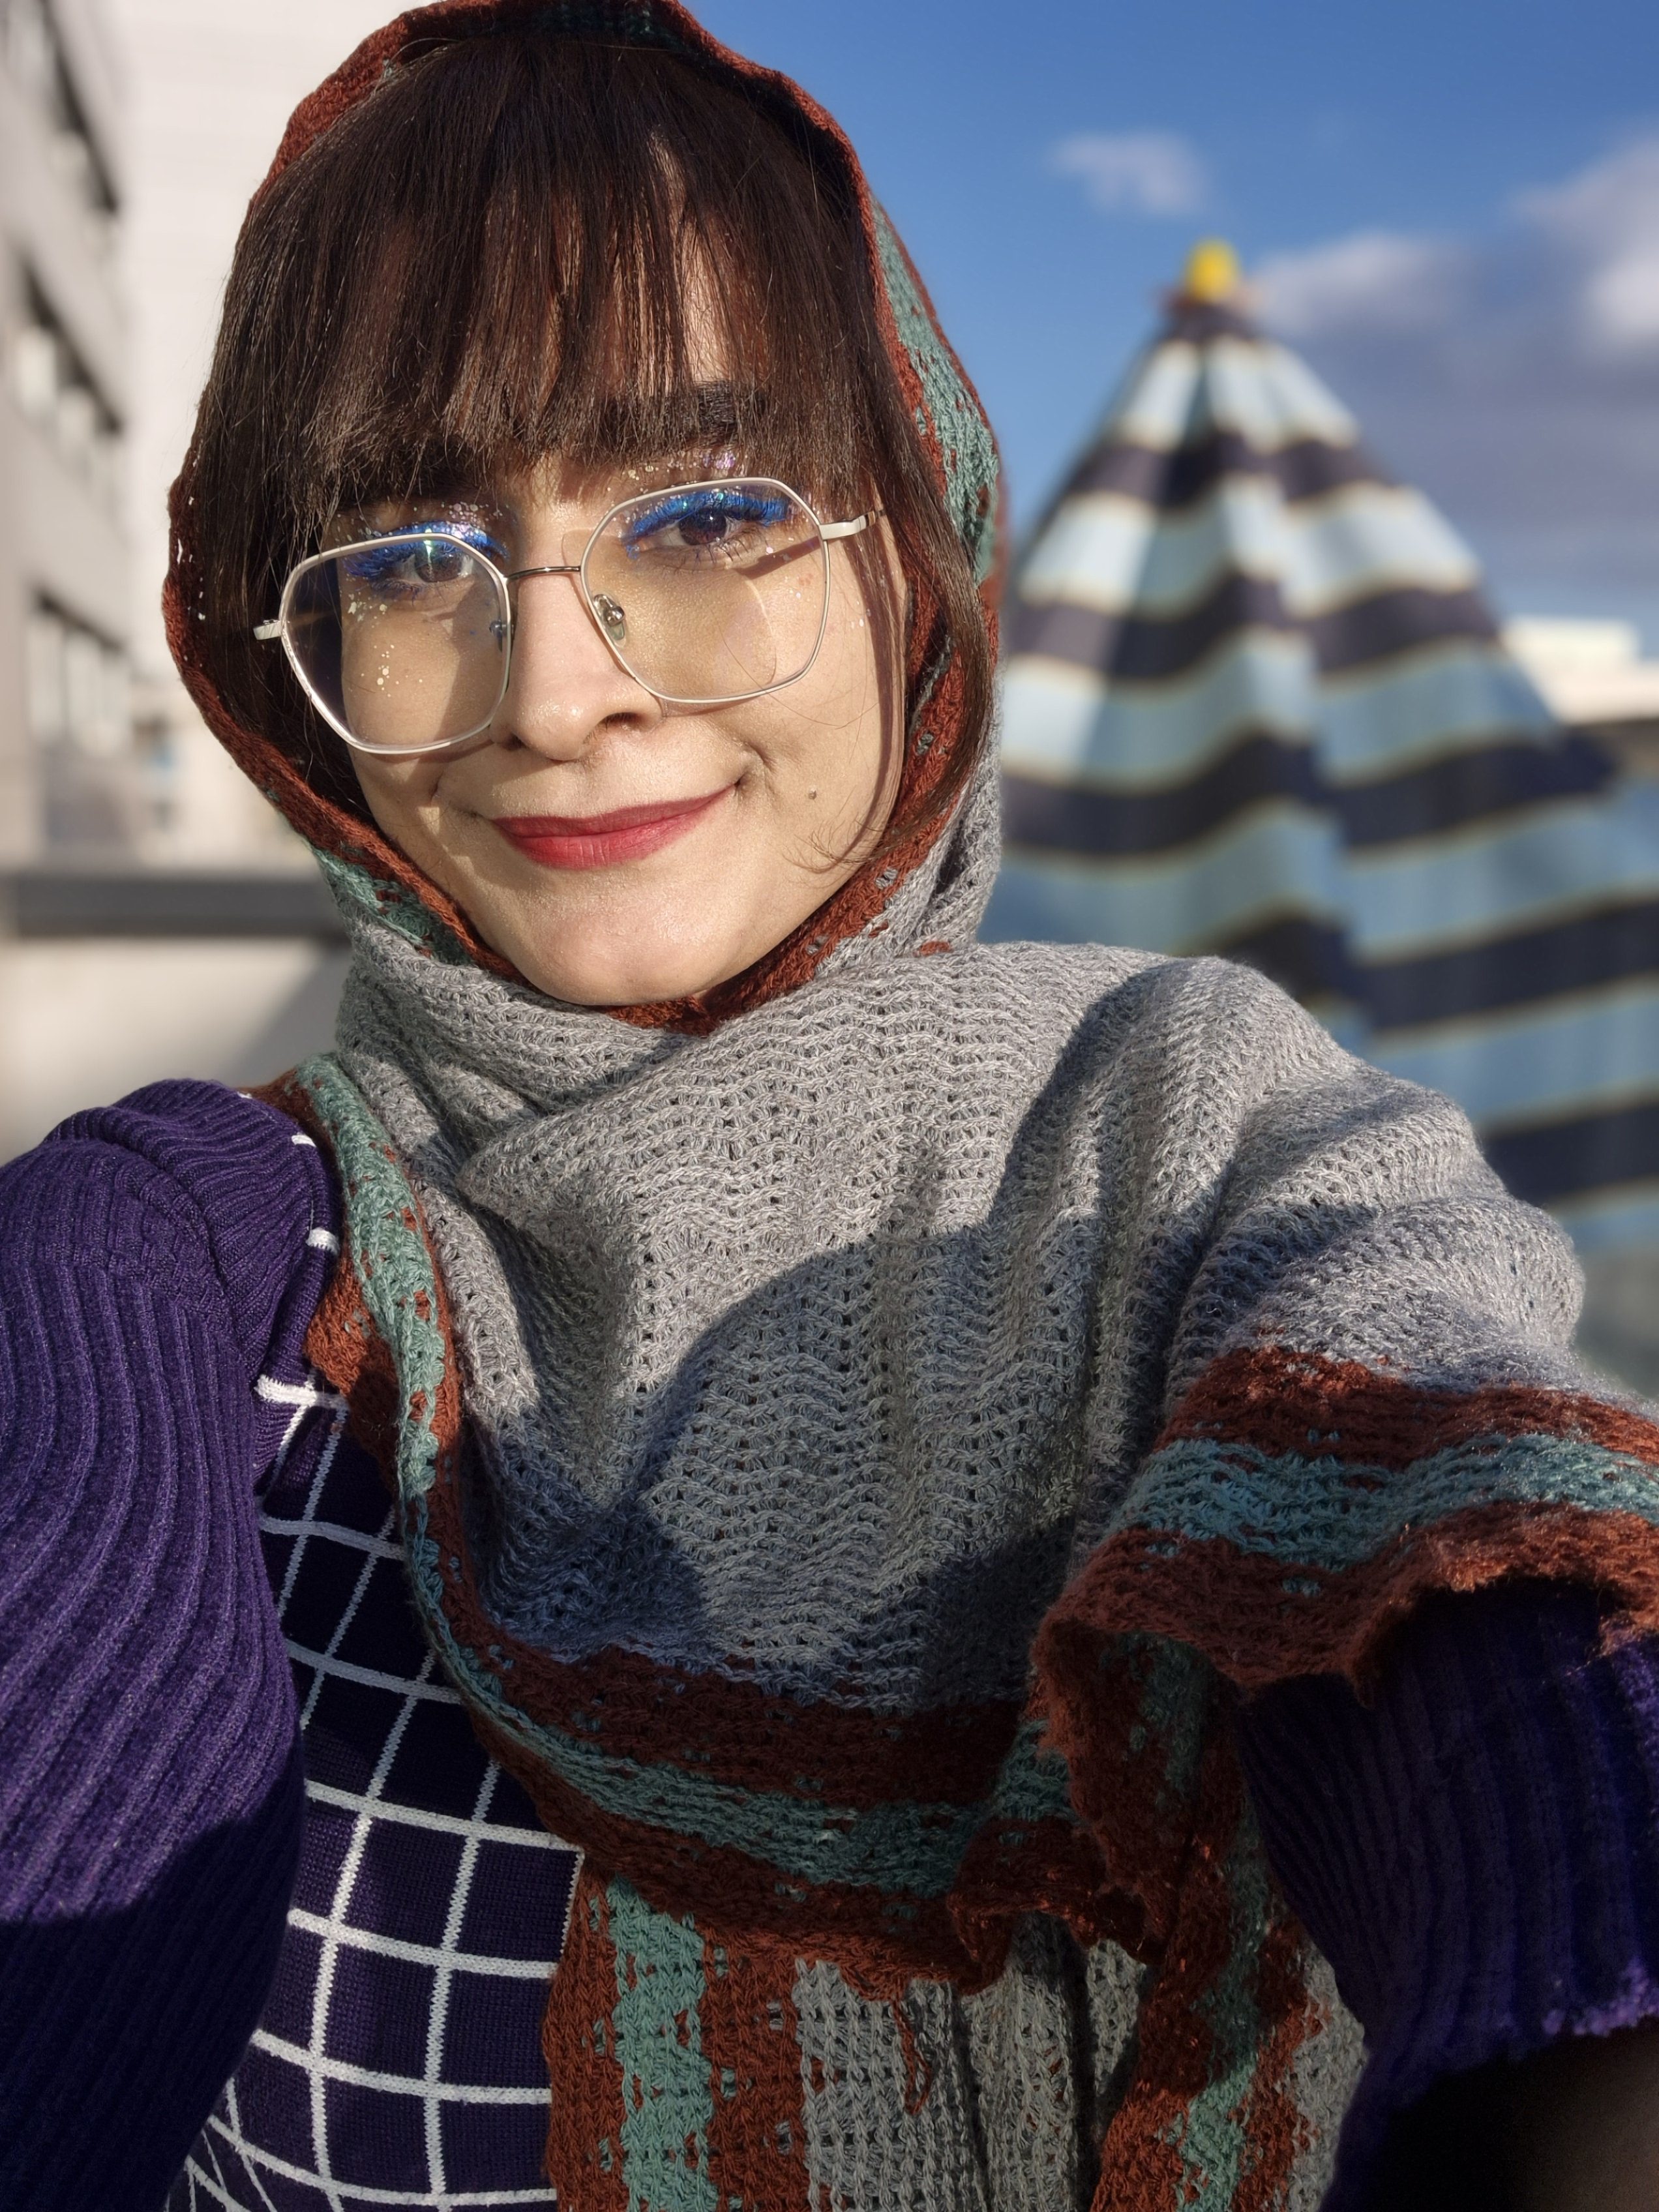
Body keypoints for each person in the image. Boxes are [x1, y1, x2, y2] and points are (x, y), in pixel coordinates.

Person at [4, 6, 1659, 2209]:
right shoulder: (183, 1257)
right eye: (405, 559)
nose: (559, 689)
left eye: (708, 513)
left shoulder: (1193, 1148)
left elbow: (1459, 1530)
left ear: (912, 558)